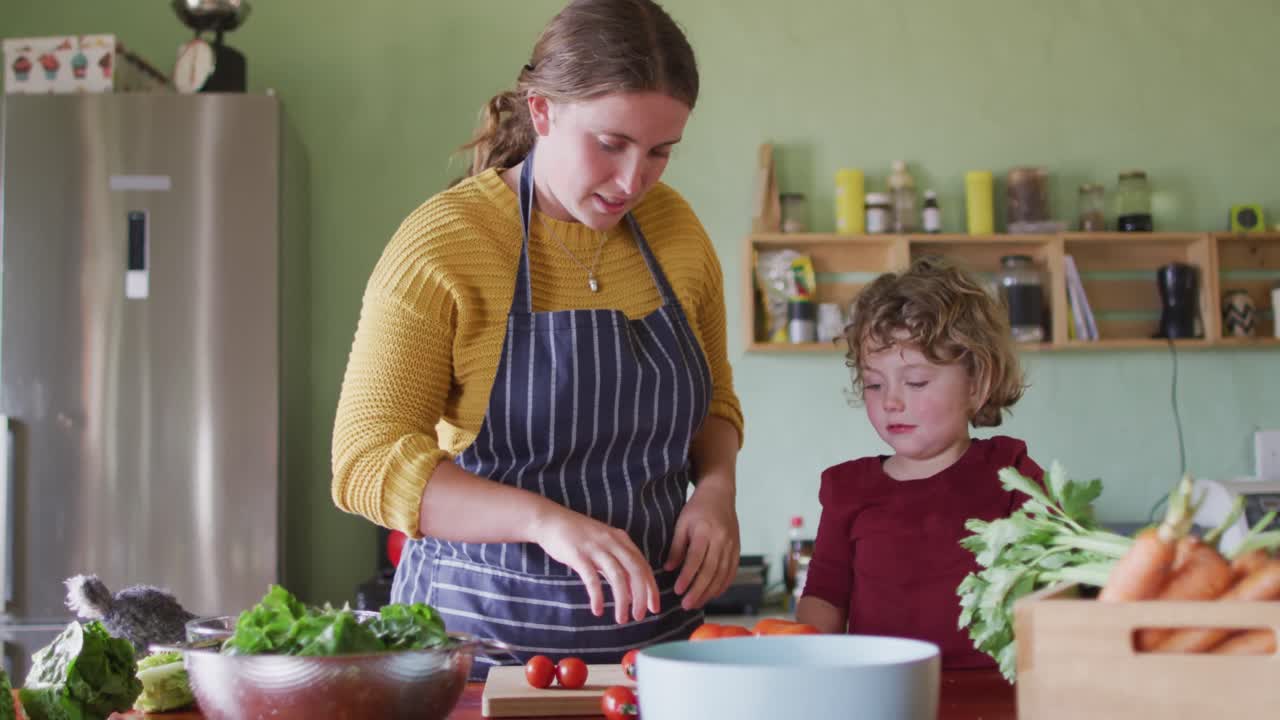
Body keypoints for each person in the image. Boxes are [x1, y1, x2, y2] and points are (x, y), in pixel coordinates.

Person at [331, 0, 743, 678]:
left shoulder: (677, 234)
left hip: (658, 656)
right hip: (476, 652)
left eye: (661, 151)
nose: (632, 181)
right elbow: (364, 463)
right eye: (610, 144)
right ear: (542, 110)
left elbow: (715, 401)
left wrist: (717, 487)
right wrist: (545, 521)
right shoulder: (447, 244)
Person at [796, 256, 1042, 668]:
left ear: (977, 385)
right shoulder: (848, 488)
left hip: (993, 698)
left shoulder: (1011, 473)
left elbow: (1053, 591)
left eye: (916, 382)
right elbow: (824, 598)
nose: (891, 401)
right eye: (874, 384)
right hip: (881, 698)